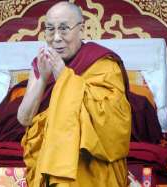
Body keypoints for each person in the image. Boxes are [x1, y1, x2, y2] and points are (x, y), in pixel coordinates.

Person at [18, 1, 131, 187]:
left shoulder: (103, 64)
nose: (56, 38)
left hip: (91, 156)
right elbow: (24, 118)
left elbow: (113, 123)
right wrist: (43, 79)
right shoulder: (41, 64)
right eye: (50, 30)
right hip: (49, 154)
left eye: (64, 29)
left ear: (82, 30)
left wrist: (64, 76)